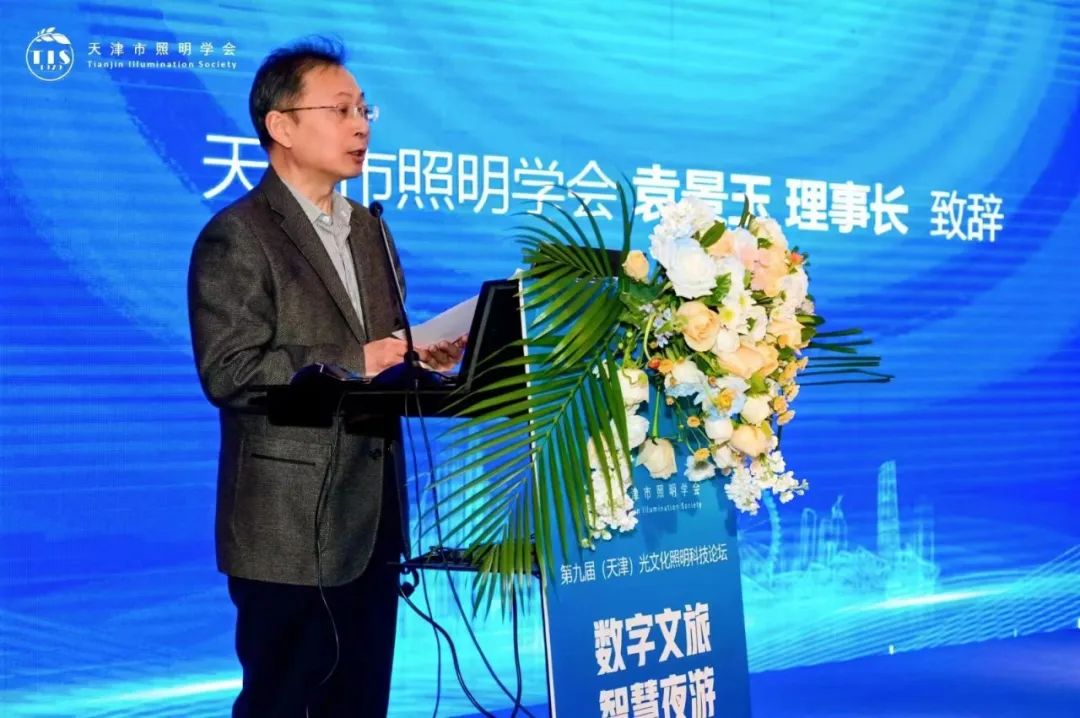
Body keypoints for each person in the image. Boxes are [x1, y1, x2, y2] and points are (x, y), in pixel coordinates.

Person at [187, 38, 463, 717]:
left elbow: (376, 357)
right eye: (341, 110)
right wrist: (359, 355)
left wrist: (417, 358)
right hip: (288, 526)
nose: (361, 126)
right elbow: (230, 370)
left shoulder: (370, 231)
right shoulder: (238, 235)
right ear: (281, 126)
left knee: (360, 704)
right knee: (282, 703)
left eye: (364, 110)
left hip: (372, 519)